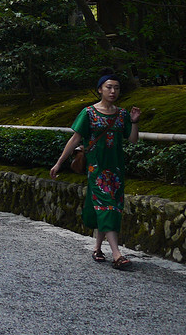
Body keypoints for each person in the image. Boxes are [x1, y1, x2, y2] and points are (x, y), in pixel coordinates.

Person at [51, 72, 141, 269]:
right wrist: (59, 163)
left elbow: (133, 140)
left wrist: (134, 121)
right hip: (97, 169)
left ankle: (98, 248)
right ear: (100, 89)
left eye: (116, 88)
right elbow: (75, 139)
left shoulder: (122, 114)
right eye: (108, 87)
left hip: (116, 168)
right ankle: (117, 254)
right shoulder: (89, 113)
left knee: (110, 207)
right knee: (107, 203)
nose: (113, 91)